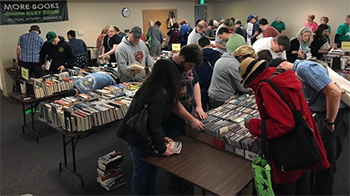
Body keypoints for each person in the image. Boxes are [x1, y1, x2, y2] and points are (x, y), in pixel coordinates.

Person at [239, 57, 330, 195]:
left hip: (288, 147)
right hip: (304, 140)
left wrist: (253, 125)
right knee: (302, 184)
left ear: (250, 78)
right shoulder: (280, 75)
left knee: (286, 188)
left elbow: (283, 124)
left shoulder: (266, 86)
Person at [274, 58, 349, 195]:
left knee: (326, 161)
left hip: (335, 116)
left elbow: (334, 93)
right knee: (322, 157)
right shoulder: (302, 69)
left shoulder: (304, 69)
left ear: (280, 67)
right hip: (328, 114)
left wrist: (329, 122)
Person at [116, 59, 180, 195]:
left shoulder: (149, 87)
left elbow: (153, 119)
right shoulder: (161, 93)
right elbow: (154, 124)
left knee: (148, 170)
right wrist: (162, 148)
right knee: (141, 172)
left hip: (132, 132)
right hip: (137, 136)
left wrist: (163, 136)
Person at [164, 44, 206, 139]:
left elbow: (195, 83)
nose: (190, 69)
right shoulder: (168, 68)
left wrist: (199, 106)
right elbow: (172, 101)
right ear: (183, 57)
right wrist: (191, 120)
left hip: (187, 116)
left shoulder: (189, 65)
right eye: (190, 66)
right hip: (171, 120)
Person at [194, 37, 221, 111]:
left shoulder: (197, 56)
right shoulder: (217, 54)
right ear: (210, 44)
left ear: (199, 46)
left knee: (202, 105)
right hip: (214, 83)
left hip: (201, 84)